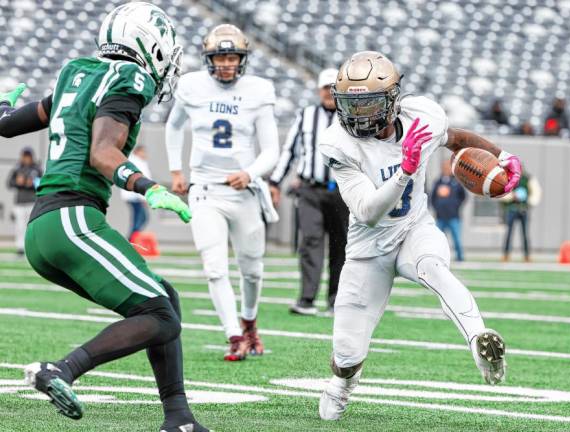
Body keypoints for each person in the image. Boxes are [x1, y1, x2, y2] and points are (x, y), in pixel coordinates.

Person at [0, 4, 210, 431]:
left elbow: (4, 126)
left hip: (46, 229)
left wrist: (4, 102)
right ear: (147, 46)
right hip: (73, 218)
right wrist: (146, 186)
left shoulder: (74, 74)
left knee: (162, 298)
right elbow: (102, 154)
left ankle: (179, 419)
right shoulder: (128, 79)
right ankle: (61, 369)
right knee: (161, 314)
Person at [316, 51, 522, 421]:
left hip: (414, 228)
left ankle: (478, 338)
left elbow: (455, 138)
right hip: (369, 251)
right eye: (352, 105)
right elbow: (366, 210)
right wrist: (405, 171)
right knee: (347, 355)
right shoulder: (338, 143)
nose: (359, 115)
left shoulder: (421, 116)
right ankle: (342, 384)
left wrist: (502, 155)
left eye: (369, 105)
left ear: (393, 100)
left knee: (435, 268)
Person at [165, 24, 279, 362]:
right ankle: (234, 336)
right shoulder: (192, 86)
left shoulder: (257, 91)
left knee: (252, 269)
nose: (227, 64)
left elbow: (271, 149)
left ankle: (249, 322)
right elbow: (173, 127)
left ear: (241, 59)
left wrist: (251, 173)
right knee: (214, 267)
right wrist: (175, 169)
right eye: (220, 57)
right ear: (208, 58)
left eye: (232, 57)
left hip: (243, 191)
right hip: (205, 190)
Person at [269, 68, 349, 316]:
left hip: (342, 193)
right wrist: (275, 182)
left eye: (333, 89)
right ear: (319, 90)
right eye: (325, 88)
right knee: (310, 241)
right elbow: (289, 151)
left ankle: (336, 300)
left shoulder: (352, 118)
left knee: (341, 246)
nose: (329, 93)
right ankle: (307, 299)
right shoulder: (305, 115)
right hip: (309, 189)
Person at [500, 169, 542, 262]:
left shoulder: (527, 179)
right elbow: (502, 192)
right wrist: (512, 196)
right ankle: (506, 254)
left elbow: (536, 192)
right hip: (512, 209)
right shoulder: (509, 178)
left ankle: (526, 255)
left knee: (525, 234)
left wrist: (529, 202)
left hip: (523, 209)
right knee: (509, 233)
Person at [6, 147, 42, 255]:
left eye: (28, 157)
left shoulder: (37, 169)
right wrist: (18, 182)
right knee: (19, 226)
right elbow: (9, 183)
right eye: (24, 156)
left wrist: (32, 183)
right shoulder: (17, 168)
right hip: (20, 202)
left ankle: (32, 247)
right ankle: (20, 248)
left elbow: (41, 184)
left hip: (32, 201)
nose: (26, 159)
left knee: (31, 227)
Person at [429, 159, 466, 262]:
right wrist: (437, 208)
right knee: (438, 239)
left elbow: (463, 197)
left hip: (453, 216)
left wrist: (455, 206)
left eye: (448, 167)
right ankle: (436, 256)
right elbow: (432, 198)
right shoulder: (438, 182)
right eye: (444, 167)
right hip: (440, 217)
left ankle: (460, 257)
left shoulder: (456, 182)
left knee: (457, 238)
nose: (446, 169)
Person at [120, 146, 151, 240]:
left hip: (134, 196)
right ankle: (132, 240)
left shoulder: (138, 162)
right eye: (143, 152)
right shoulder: (137, 163)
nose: (145, 155)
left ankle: (132, 239)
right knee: (140, 219)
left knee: (139, 218)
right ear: (138, 152)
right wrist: (143, 198)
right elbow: (139, 180)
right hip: (135, 196)